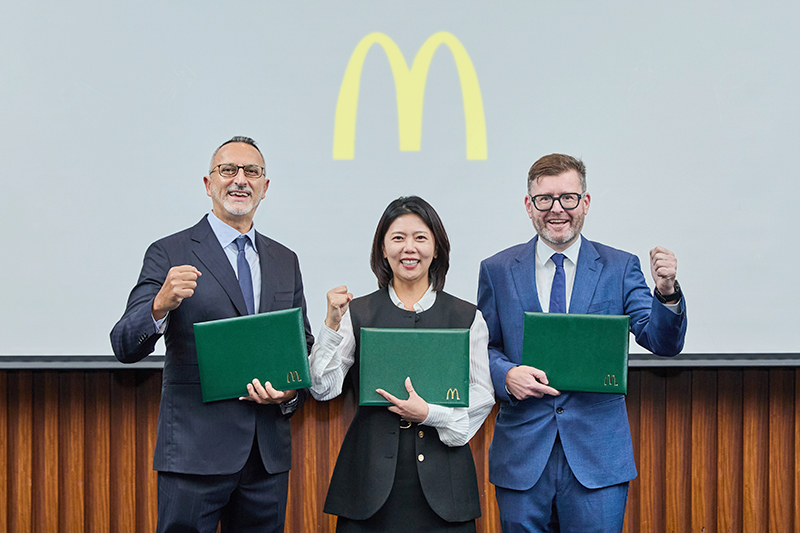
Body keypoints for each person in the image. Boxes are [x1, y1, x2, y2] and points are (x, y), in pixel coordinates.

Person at [110, 136, 313, 533]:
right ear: (208, 183)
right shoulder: (169, 252)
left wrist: (289, 393)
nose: (240, 180)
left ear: (265, 187)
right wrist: (160, 305)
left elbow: (300, 345)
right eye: (228, 170)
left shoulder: (284, 259)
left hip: (266, 459)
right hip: (193, 456)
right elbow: (123, 344)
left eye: (251, 172)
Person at [477, 154, 687, 533]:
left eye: (568, 198)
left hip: (597, 459)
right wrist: (506, 375)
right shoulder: (496, 269)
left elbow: (661, 341)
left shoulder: (620, 266)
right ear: (529, 206)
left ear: (585, 203)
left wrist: (667, 292)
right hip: (523, 457)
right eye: (545, 199)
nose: (557, 209)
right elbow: (483, 349)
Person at [309, 196, 495, 532]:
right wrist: (331, 326)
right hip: (367, 488)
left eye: (420, 238)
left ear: (437, 249)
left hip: (445, 491)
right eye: (397, 238)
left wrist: (430, 415)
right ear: (382, 249)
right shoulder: (358, 312)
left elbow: (482, 396)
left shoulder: (467, 316)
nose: (409, 248)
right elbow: (323, 389)